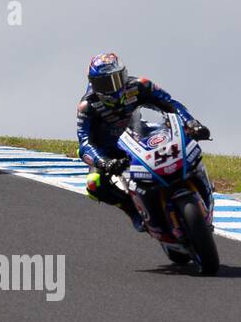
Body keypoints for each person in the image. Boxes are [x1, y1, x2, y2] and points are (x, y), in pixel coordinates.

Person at [78, 52, 210, 228]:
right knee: (93, 184)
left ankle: (203, 186)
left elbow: (171, 104)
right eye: (104, 83)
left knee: (183, 141)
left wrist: (192, 123)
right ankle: (132, 210)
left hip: (138, 133)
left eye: (115, 80)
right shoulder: (87, 106)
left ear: (124, 75)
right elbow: (85, 143)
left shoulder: (140, 85)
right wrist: (103, 162)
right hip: (108, 150)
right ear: (93, 84)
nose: (111, 88)